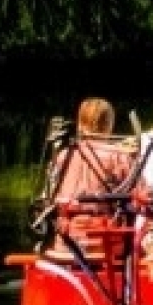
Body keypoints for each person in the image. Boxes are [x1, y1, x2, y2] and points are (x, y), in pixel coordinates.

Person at [47, 97, 142, 245]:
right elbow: (142, 199)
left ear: (80, 123)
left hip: (66, 243)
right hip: (106, 245)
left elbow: (48, 199)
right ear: (109, 124)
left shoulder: (63, 156)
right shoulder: (119, 156)